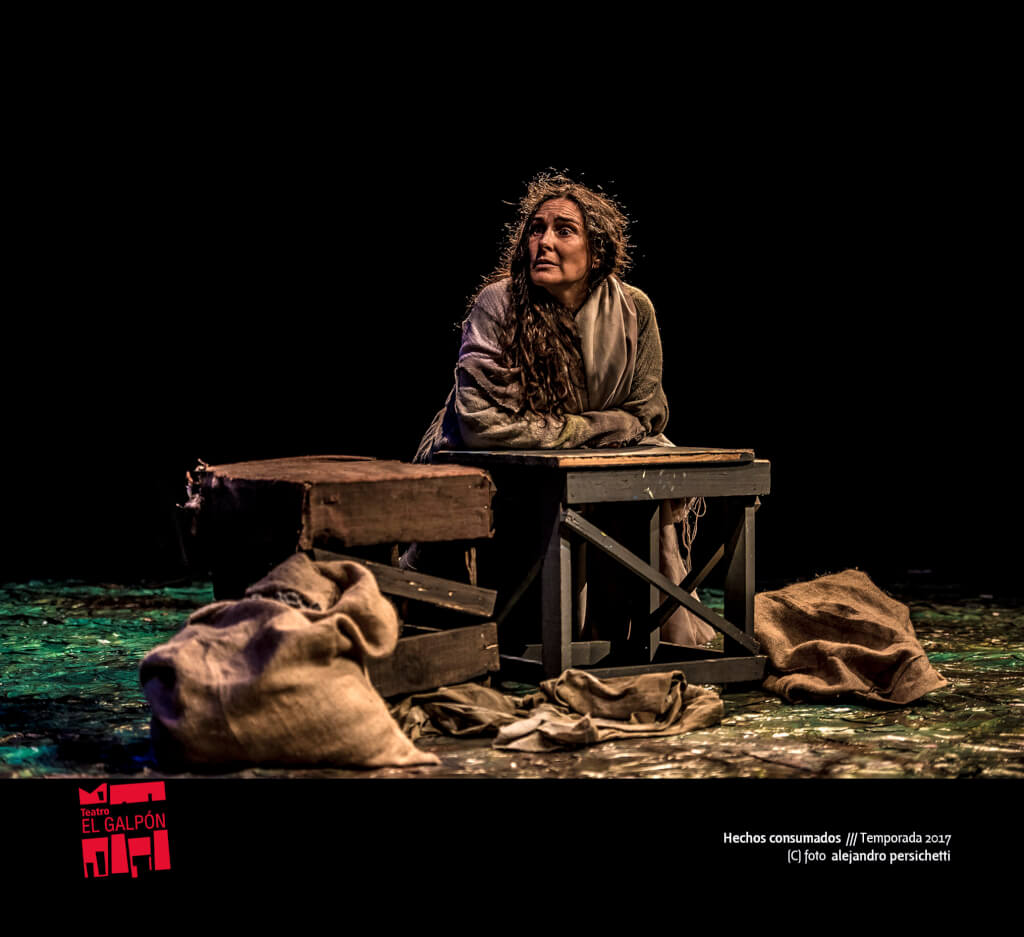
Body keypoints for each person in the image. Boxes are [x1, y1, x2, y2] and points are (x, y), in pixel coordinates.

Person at [411, 172, 714, 646]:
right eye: (536, 229)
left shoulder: (633, 309)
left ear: (597, 251)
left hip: (588, 469)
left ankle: (627, 643)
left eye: (564, 230)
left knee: (639, 498)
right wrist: (592, 427)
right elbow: (482, 424)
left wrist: (583, 432)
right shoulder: (500, 304)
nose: (544, 242)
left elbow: (648, 413)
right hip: (495, 469)